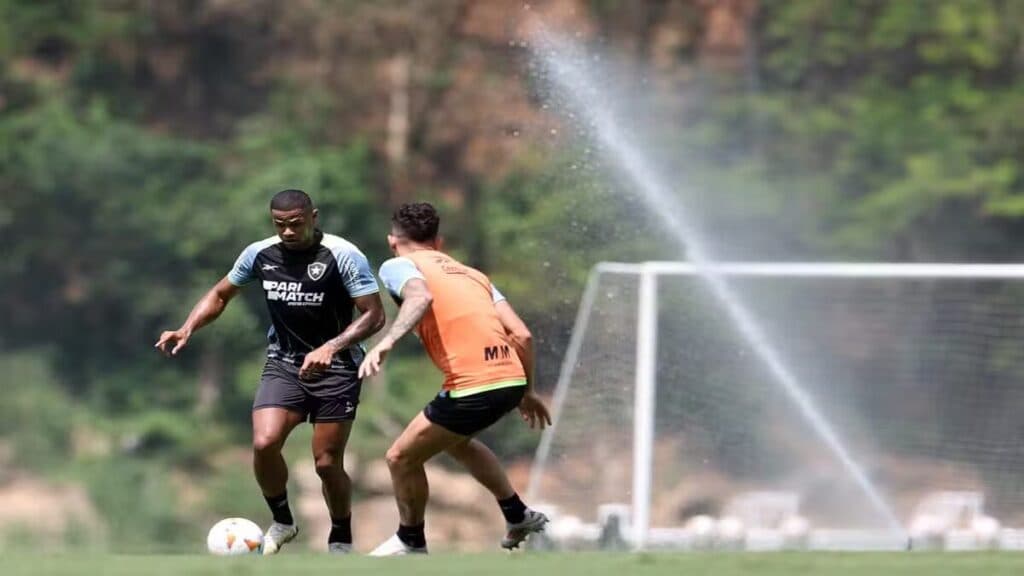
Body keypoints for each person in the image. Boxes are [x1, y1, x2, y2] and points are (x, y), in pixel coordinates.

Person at [155, 189, 385, 555]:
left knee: (326, 464)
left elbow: (374, 314)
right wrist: (187, 328)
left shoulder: (343, 255)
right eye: (280, 225)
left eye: (296, 224)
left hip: (337, 369)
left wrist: (330, 347)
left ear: (314, 216)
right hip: (284, 363)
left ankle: (340, 537)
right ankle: (283, 521)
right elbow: (219, 295)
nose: (288, 232)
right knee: (264, 443)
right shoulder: (259, 254)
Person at [358, 202, 552, 555]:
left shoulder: (398, 265)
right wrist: (527, 391)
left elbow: (420, 295)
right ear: (439, 241)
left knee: (400, 458)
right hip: (509, 379)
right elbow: (522, 335)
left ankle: (411, 541)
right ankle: (516, 513)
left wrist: (385, 343)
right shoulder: (475, 275)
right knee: (456, 441)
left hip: (474, 384)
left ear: (392, 241)